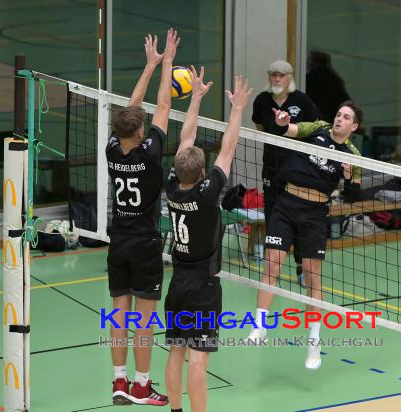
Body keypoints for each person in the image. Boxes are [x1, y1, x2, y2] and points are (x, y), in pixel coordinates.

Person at [245, 101, 363, 370]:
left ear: (354, 127)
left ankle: (313, 343)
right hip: (286, 205)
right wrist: (284, 122)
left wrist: (347, 176)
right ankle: (260, 326)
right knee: (272, 266)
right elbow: (289, 130)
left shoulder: (352, 156)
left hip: (314, 215)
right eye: (338, 114)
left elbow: (354, 197)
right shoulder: (318, 129)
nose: (339, 119)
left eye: (346, 117)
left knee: (312, 278)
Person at [164, 72, 252, 412]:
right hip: (203, 286)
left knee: (175, 350)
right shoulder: (207, 192)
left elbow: (185, 141)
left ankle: (175, 411)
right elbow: (228, 146)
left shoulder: (173, 186)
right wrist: (237, 109)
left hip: (178, 283)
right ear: (202, 173)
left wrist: (195, 97)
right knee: (198, 359)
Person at [105, 29, 179, 406]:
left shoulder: (112, 150)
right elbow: (163, 107)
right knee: (144, 323)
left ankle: (118, 382)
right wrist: (165, 63)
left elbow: (130, 111)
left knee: (119, 316)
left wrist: (148, 65)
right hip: (145, 245)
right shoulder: (149, 155)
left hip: (118, 241)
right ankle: (140, 385)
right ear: (139, 131)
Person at [252, 59, 318, 286]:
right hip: (272, 170)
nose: (277, 79)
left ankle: (301, 267)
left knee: (299, 218)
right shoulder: (261, 101)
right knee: (273, 218)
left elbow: (313, 131)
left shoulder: (303, 101)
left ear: (289, 77)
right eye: (273, 75)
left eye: (281, 75)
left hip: (298, 172)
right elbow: (260, 129)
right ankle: (273, 271)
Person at [306, 50, 351, 123]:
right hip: (331, 118)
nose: (307, 63)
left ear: (315, 62)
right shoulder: (333, 78)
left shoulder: (313, 78)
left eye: (309, 60)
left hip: (322, 118)